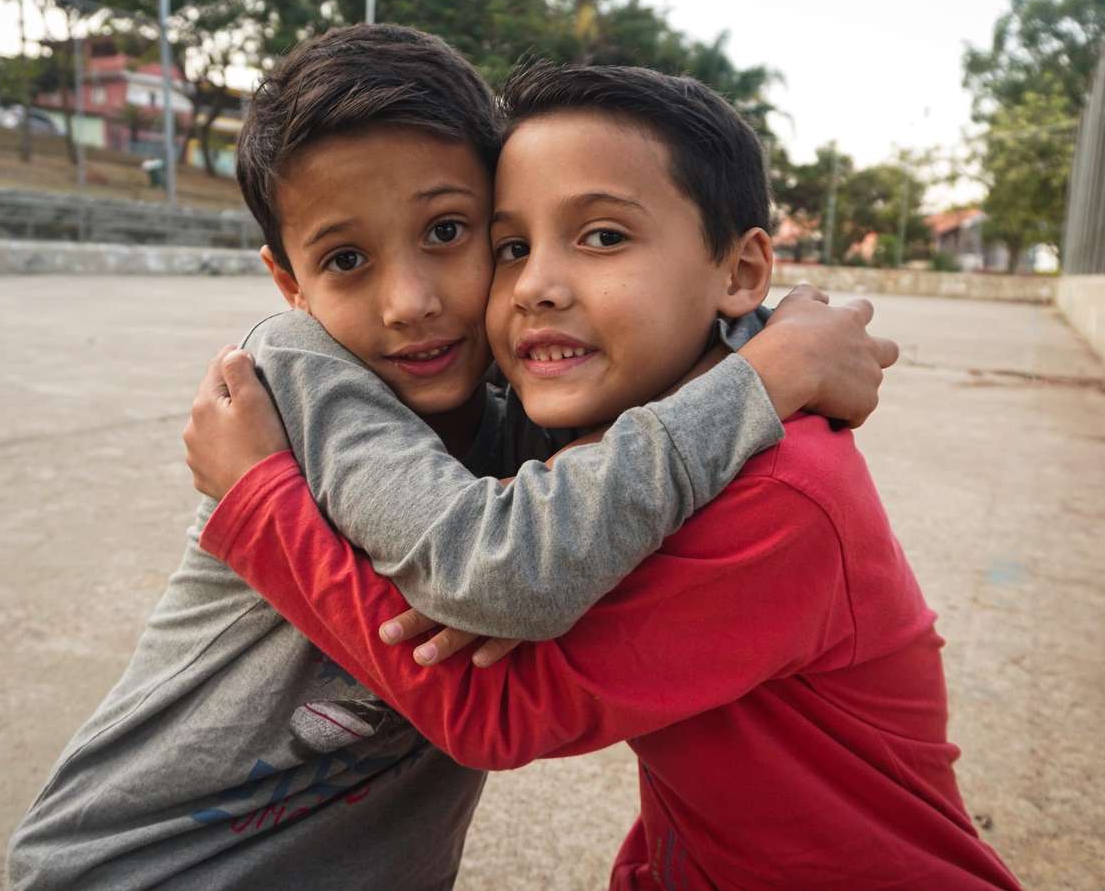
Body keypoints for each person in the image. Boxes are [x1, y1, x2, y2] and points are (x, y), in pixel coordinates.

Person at [7, 26, 893, 891]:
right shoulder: (298, 372)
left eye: (450, 233)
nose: (411, 302)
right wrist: (763, 377)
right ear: (292, 286)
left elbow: (642, 388)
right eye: (346, 259)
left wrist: (773, 341)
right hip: (146, 864)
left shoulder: (539, 422)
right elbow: (494, 568)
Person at [184, 60, 1020, 889]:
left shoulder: (781, 495)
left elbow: (492, 706)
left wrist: (264, 507)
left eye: (604, 236)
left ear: (739, 271)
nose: (537, 286)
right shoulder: (638, 436)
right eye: (510, 247)